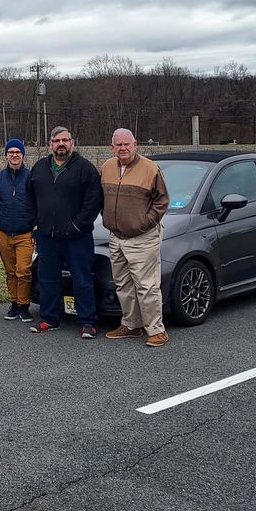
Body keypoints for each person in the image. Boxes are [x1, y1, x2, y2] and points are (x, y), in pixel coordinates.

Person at [26, 127, 104, 339]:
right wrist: (35, 224)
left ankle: (88, 322)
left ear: (72, 143)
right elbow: (29, 198)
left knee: (82, 279)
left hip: (77, 237)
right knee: (47, 278)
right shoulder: (40, 168)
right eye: (57, 140)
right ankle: (49, 318)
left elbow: (94, 201)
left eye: (65, 140)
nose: (61, 144)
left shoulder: (85, 169)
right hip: (46, 237)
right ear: (50, 144)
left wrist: (78, 225)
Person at [101, 128, 171, 347]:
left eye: (126, 144)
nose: (123, 148)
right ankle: (131, 325)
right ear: (112, 147)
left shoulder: (150, 169)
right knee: (123, 283)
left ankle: (157, 330)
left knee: (146, 285)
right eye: (118, 145)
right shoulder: (107, 167)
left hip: (142, 237)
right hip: (116, 236)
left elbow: (162, 201)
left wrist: (144, 222)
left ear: (135, 144)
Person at [0, 138, 33, 322]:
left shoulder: (31, 176)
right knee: (10, 271)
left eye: (17, 152)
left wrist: (35, 227)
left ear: (22, 155)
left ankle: (24, 305)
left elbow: (37, 203)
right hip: (4, 232)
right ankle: (13, 304)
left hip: (25, 232)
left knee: (23, 270)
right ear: (6, 155)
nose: (14, 155)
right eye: (10, 152)